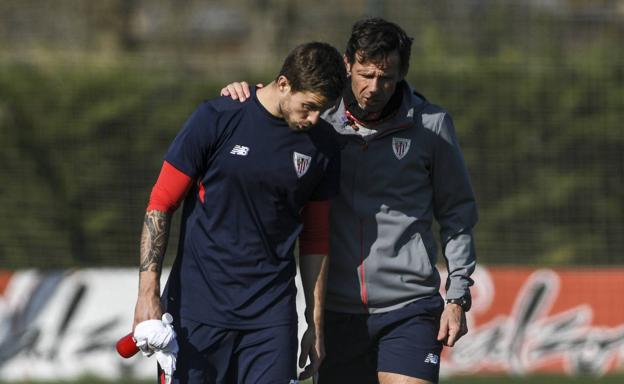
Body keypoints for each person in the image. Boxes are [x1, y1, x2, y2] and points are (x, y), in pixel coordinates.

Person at [221, 17, 478, 384]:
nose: (374, 87)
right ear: (347, 65)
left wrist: (457, 296)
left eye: (386, 77)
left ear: (402, 73)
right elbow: (273, 105)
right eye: (364, 74)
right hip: (335, 310)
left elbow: (457, 212)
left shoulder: (431, 125)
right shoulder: (317, 116)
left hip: (410, 307)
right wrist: (241, 95)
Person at [132, 41, 347, 384]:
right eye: (308, 107)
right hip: (196, 313)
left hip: (271, 318)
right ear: (283, 84)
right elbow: (161, 203)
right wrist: (147, 295)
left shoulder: (324, 146)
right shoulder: (218, 117)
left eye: (324, 109)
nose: (315, 118)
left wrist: (315, 323)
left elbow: (316, 238)